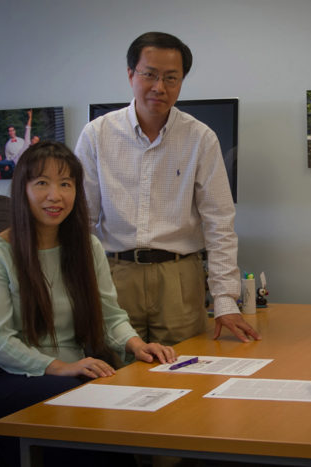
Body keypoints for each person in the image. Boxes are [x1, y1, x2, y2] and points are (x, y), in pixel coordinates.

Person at [0, 141, 176, 467]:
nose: (55, 195)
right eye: (41, 183)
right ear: (22, 190)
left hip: (66, 376)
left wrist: (136, 344)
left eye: (65, 184)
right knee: (77, 410)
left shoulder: (87, 247)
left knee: (110, 410)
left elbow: (109, 315)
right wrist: (61, 368)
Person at [75, 32, 260, 346]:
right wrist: (84, 285)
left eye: (171, 78)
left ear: (181, 82)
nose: (159, 87)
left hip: (179, 280)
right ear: (131, 74)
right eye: (150, 74)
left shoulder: (200, 138)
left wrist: (225, 300)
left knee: (186, 371)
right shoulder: (97, 134)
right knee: (116, 374)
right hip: (115, 274)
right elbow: (83, 220)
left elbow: (219, 223)